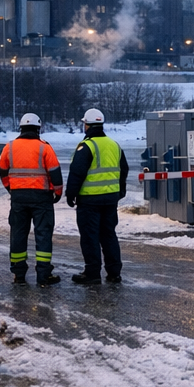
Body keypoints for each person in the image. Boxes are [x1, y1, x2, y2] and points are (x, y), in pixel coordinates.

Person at [0, 112, 63, 287]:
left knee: (18, 234)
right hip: (42, 198)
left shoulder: (9, 147)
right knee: (43, 235)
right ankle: (43, 275)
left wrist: (9, 188)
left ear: (21, 128)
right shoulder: (45, 148)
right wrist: (58, 192)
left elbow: (3, 170)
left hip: (18, 197)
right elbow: (55, 173)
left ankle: (18, 275)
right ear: (38, 129)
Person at [65, 107, 129, 285]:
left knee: (90, 236)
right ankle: (114, 272)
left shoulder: (86, 146)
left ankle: (92, 273)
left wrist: (71, 195)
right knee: (109, 235)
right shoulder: (114, 145)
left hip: (89, 201)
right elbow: (124, 169)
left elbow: (76, 173)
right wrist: (120, 191)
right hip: (110, 199)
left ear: (87, 125)